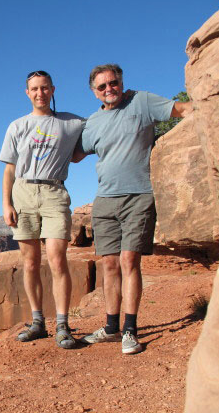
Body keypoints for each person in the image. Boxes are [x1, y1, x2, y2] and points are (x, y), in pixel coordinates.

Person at [73, 63, 192, 354]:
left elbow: (182, 110)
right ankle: (111, 327)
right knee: (110, 265)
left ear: (121, 83)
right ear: (94, 92)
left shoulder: (142, 101)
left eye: (113, 83)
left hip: (139, 195)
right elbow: (75, 155)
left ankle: (130, 329)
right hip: (105, 199)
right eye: (102, 86)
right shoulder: (92, 123)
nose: (109, 89)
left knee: (129, 261)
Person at [0, 70, 85, 349]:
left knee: (58, 260)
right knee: (30, 263)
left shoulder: (71, 122)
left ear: (53, 89)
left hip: (53, 192)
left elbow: (91, 140)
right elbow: (10, 169)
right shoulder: (17, 126)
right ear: (27, 93)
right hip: (22, 192)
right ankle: (38, 322)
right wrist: (6, 203)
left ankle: (62, 325)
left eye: (45, 88)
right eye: (34, 89)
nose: (40, 93)